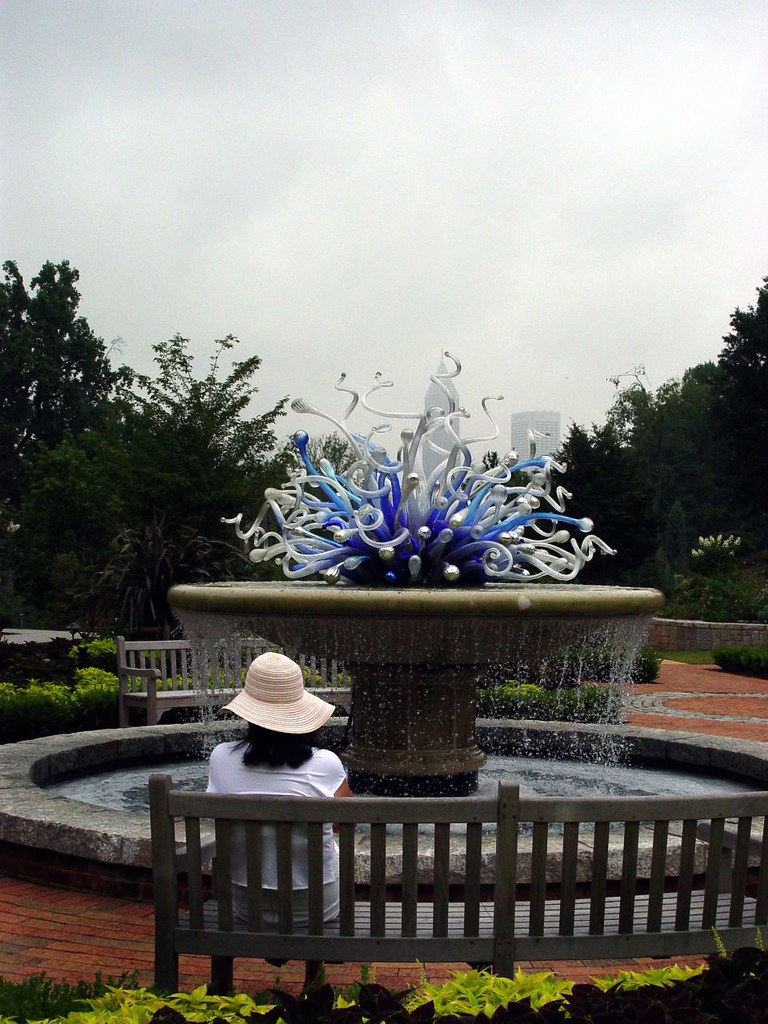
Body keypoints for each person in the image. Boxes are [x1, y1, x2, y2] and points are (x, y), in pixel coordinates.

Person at [207, 650, 352, 957]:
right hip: (313, 909)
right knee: (331, 846)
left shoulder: (221, 758)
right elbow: (344, 820)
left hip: (247, 906)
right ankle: (315, 975)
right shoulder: (325, 764)